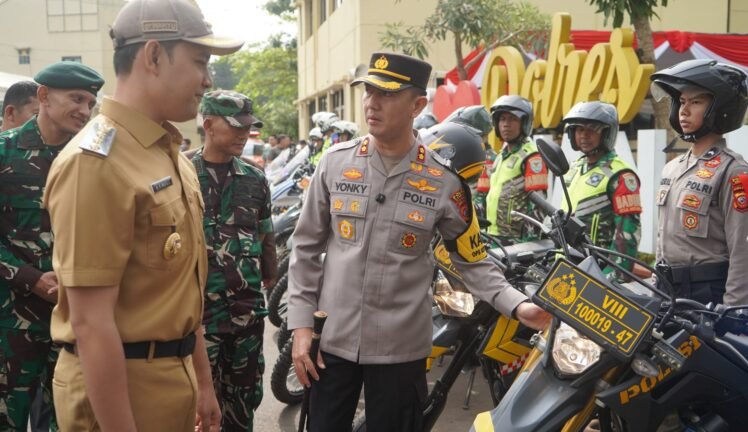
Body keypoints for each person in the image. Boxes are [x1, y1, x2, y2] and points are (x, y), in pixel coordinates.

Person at [287, 52, 550, 431]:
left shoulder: (444, 181)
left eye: (387, 95)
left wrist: (517, 305)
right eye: (369, 92)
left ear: (418, 105)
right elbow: (307, 248)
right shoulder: (335, 163)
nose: (372, 103)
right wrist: (300, 328)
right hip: (333, 343)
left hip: (400, 351)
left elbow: (471, 260)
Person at [42, 0, 244, 430]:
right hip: (119, 397)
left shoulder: (170, 155)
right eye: (199, 61)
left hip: (172, 378)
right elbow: (91, 323)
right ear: (153, 56)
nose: (208, 79)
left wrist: (203, 383)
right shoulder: (95, 162)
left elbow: (179, 293)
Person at [0, 61, 102, 432]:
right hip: (11, 324)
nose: (85, 110)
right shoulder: (5, 153)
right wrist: (29, 277)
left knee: (70, 422)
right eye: (76, 98)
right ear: (43, 96)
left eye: (91, 102)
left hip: (75, 323)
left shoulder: (93, 160)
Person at [187, 90, 274, 431]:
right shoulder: (181, 173)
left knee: (242, 405)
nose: (244, 134)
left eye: (248, 127)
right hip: (199, 317)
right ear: (208, 124)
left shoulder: (254, 178)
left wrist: (270, 274)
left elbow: (264, 232)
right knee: (197, 411)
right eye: (236, 126)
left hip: (246, 314)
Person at [651, 59, 748, 307]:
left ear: (719, 108)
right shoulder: (673, 168)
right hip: (667, 291)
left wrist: (733, 309)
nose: (683, 110)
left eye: (696, 102)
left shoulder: (734, 172)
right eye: (681, 101)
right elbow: (663, 239)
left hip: (708, 296)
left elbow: (744, 251)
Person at [562, 101, 642, 281]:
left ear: (607, 133)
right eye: (579, 129)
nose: (584, 135)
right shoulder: (575, 168)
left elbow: (627, 235)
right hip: (569, 262)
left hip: (598, 269)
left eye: (592, 129)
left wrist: (614, 277)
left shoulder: (620, 175)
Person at [484, 96, 548, 242]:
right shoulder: (501, 155)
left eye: (513, 119)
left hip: (516, 241)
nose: (506, 124)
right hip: (493, 235)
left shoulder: (531, 156)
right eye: (502, 119)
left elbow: (539, 205)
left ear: (524, 123)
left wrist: (528, 241)